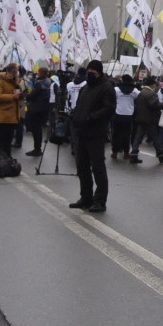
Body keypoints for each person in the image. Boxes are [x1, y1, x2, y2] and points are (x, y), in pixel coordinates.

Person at [69, 60, 114, 212]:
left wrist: (90, 117)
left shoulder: (106, 88)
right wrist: (75, 115)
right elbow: (80, 105)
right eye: (88, 71)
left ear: (99, 72)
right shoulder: (86, 87)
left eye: (92, 72)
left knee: (97, 167)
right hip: (82, 132)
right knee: (82, 167)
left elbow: (108, 109)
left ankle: (100, 200)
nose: (89, 74)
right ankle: (86, 198)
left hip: (96, 133)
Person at [0, 63, 23, 158]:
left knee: (8, 139)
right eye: (15, 71)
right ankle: (1, 157)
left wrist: (21, 95)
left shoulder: (17, 82)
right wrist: (13, 96)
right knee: (2, 139)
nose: (17, 73)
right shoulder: (0, 82)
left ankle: (7, 158)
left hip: (14, 115)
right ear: (11, 71)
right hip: (4, 115)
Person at [131, 75, 163, 162]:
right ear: (152, 85)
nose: (155, 85)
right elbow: (154, 105)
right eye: (154, 84)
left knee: (138, 137)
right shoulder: (151, 93)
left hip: (141, 117)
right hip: (150, 118)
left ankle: (134, 154)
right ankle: (161, 154)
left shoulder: (141, 92)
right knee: (155, 137)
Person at [24, 68, 53, 158]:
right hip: (44, 109)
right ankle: (37, 148)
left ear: (44, 73)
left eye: (40, 72)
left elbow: (32, 96)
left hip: (36, 109)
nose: (38, 74)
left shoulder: (39, 83)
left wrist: (26, 95)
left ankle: (37, 149)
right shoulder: (49, 82)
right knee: (38, 129)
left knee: (36, 130)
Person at [109, 74, 137, 160]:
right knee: (127, 135)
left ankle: (115, 152)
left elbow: (111, 100)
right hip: (129, 115)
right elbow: (139, 99)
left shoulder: (116, 89)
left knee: (115, 135)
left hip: (118, 114)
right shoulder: (135, 90)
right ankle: (126, 152)